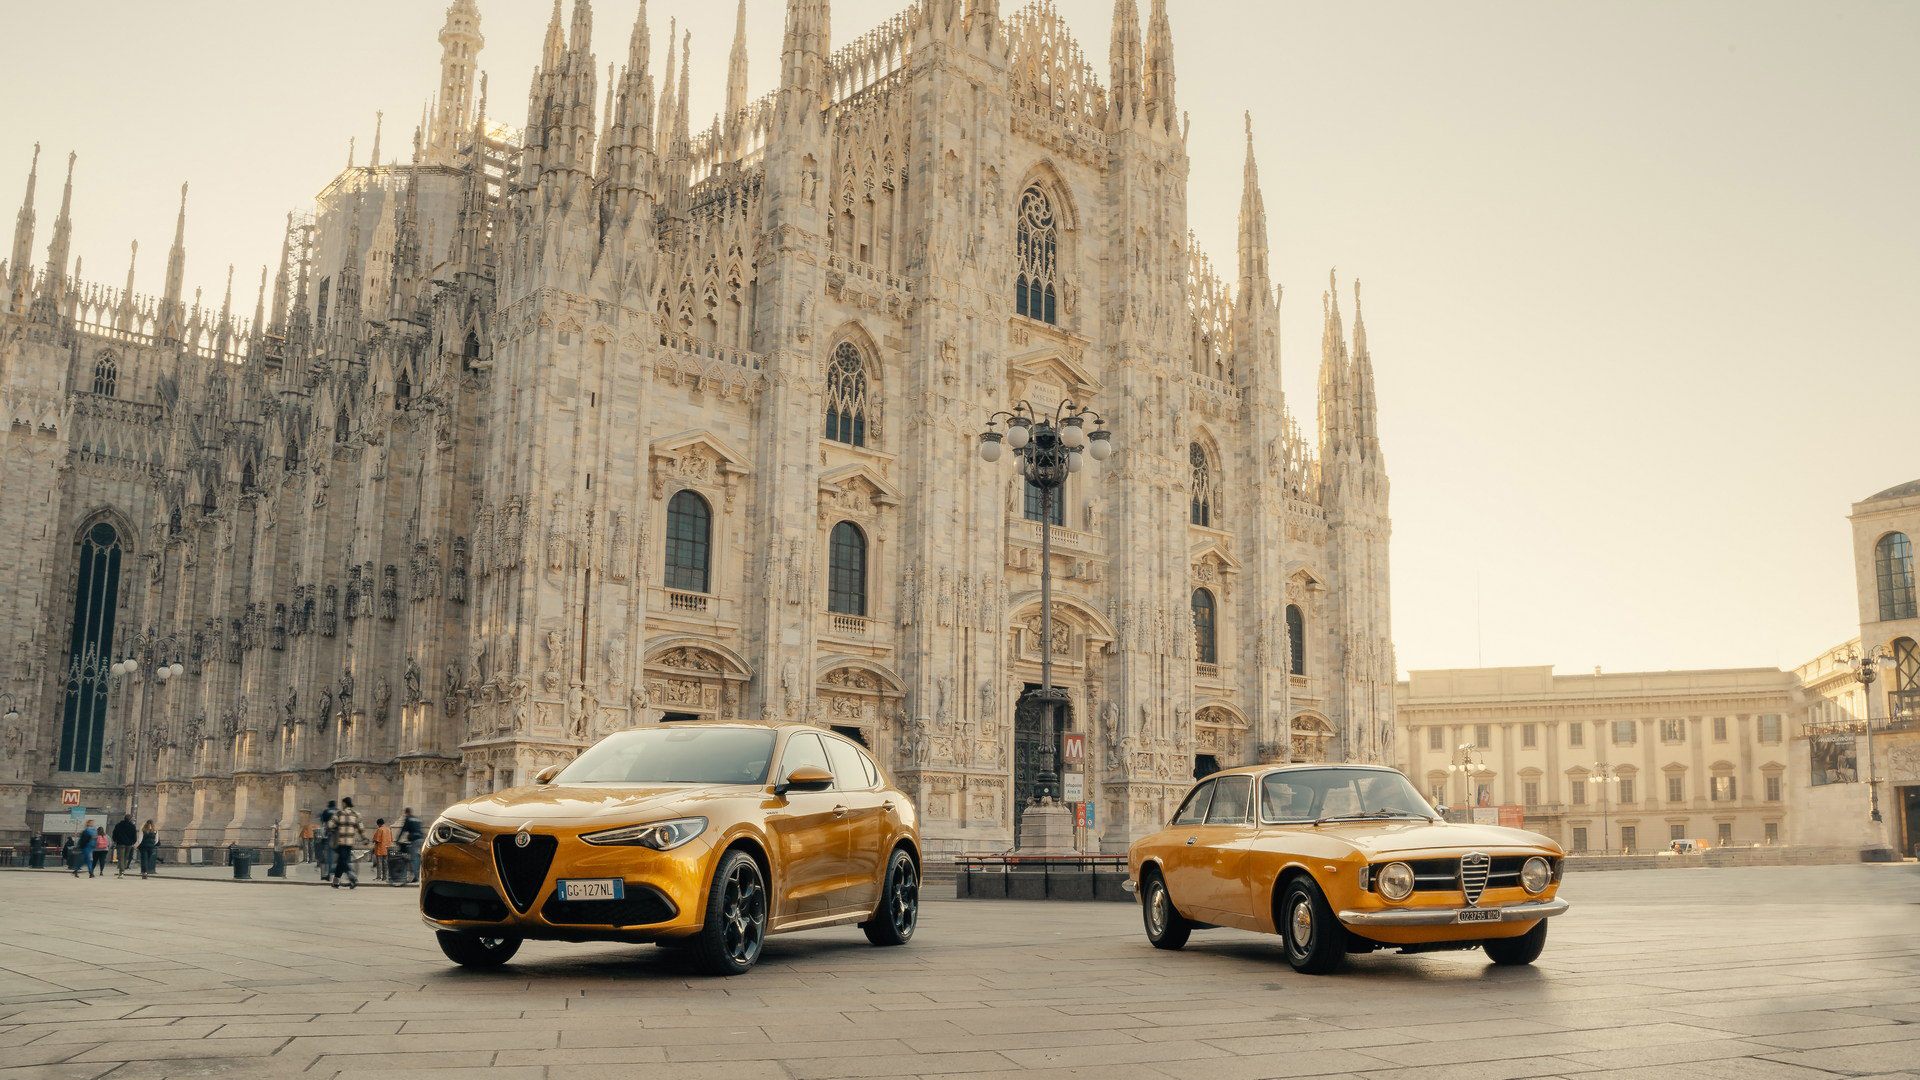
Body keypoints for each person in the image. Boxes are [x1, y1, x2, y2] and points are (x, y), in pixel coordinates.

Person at [329, 797, 363, 889]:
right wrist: (364, 839)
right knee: (341, 861)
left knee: (343, 861)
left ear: (344, 804)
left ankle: (352, 877)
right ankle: (336, 881)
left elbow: (330, 824)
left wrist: (333, 829)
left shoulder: (339, 814)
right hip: (350, 843)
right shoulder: (356, 814)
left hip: (340, 842)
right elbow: (361, 828)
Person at [397, 808, 424, 885]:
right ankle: (418, 873)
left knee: (413, 858)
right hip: (421, 839)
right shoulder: (417, 819)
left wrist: (398, 840)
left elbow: (403, 830)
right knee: (417, 857)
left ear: (406, 813)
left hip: (415, 840)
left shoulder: (408, 819)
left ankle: (415, 877)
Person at [317, 800, 338, 881]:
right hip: (338, 836)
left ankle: (328, 873)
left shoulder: (326, 811)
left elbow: (323, 822)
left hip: (329, 835)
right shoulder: (338, 811)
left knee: (328, 856)